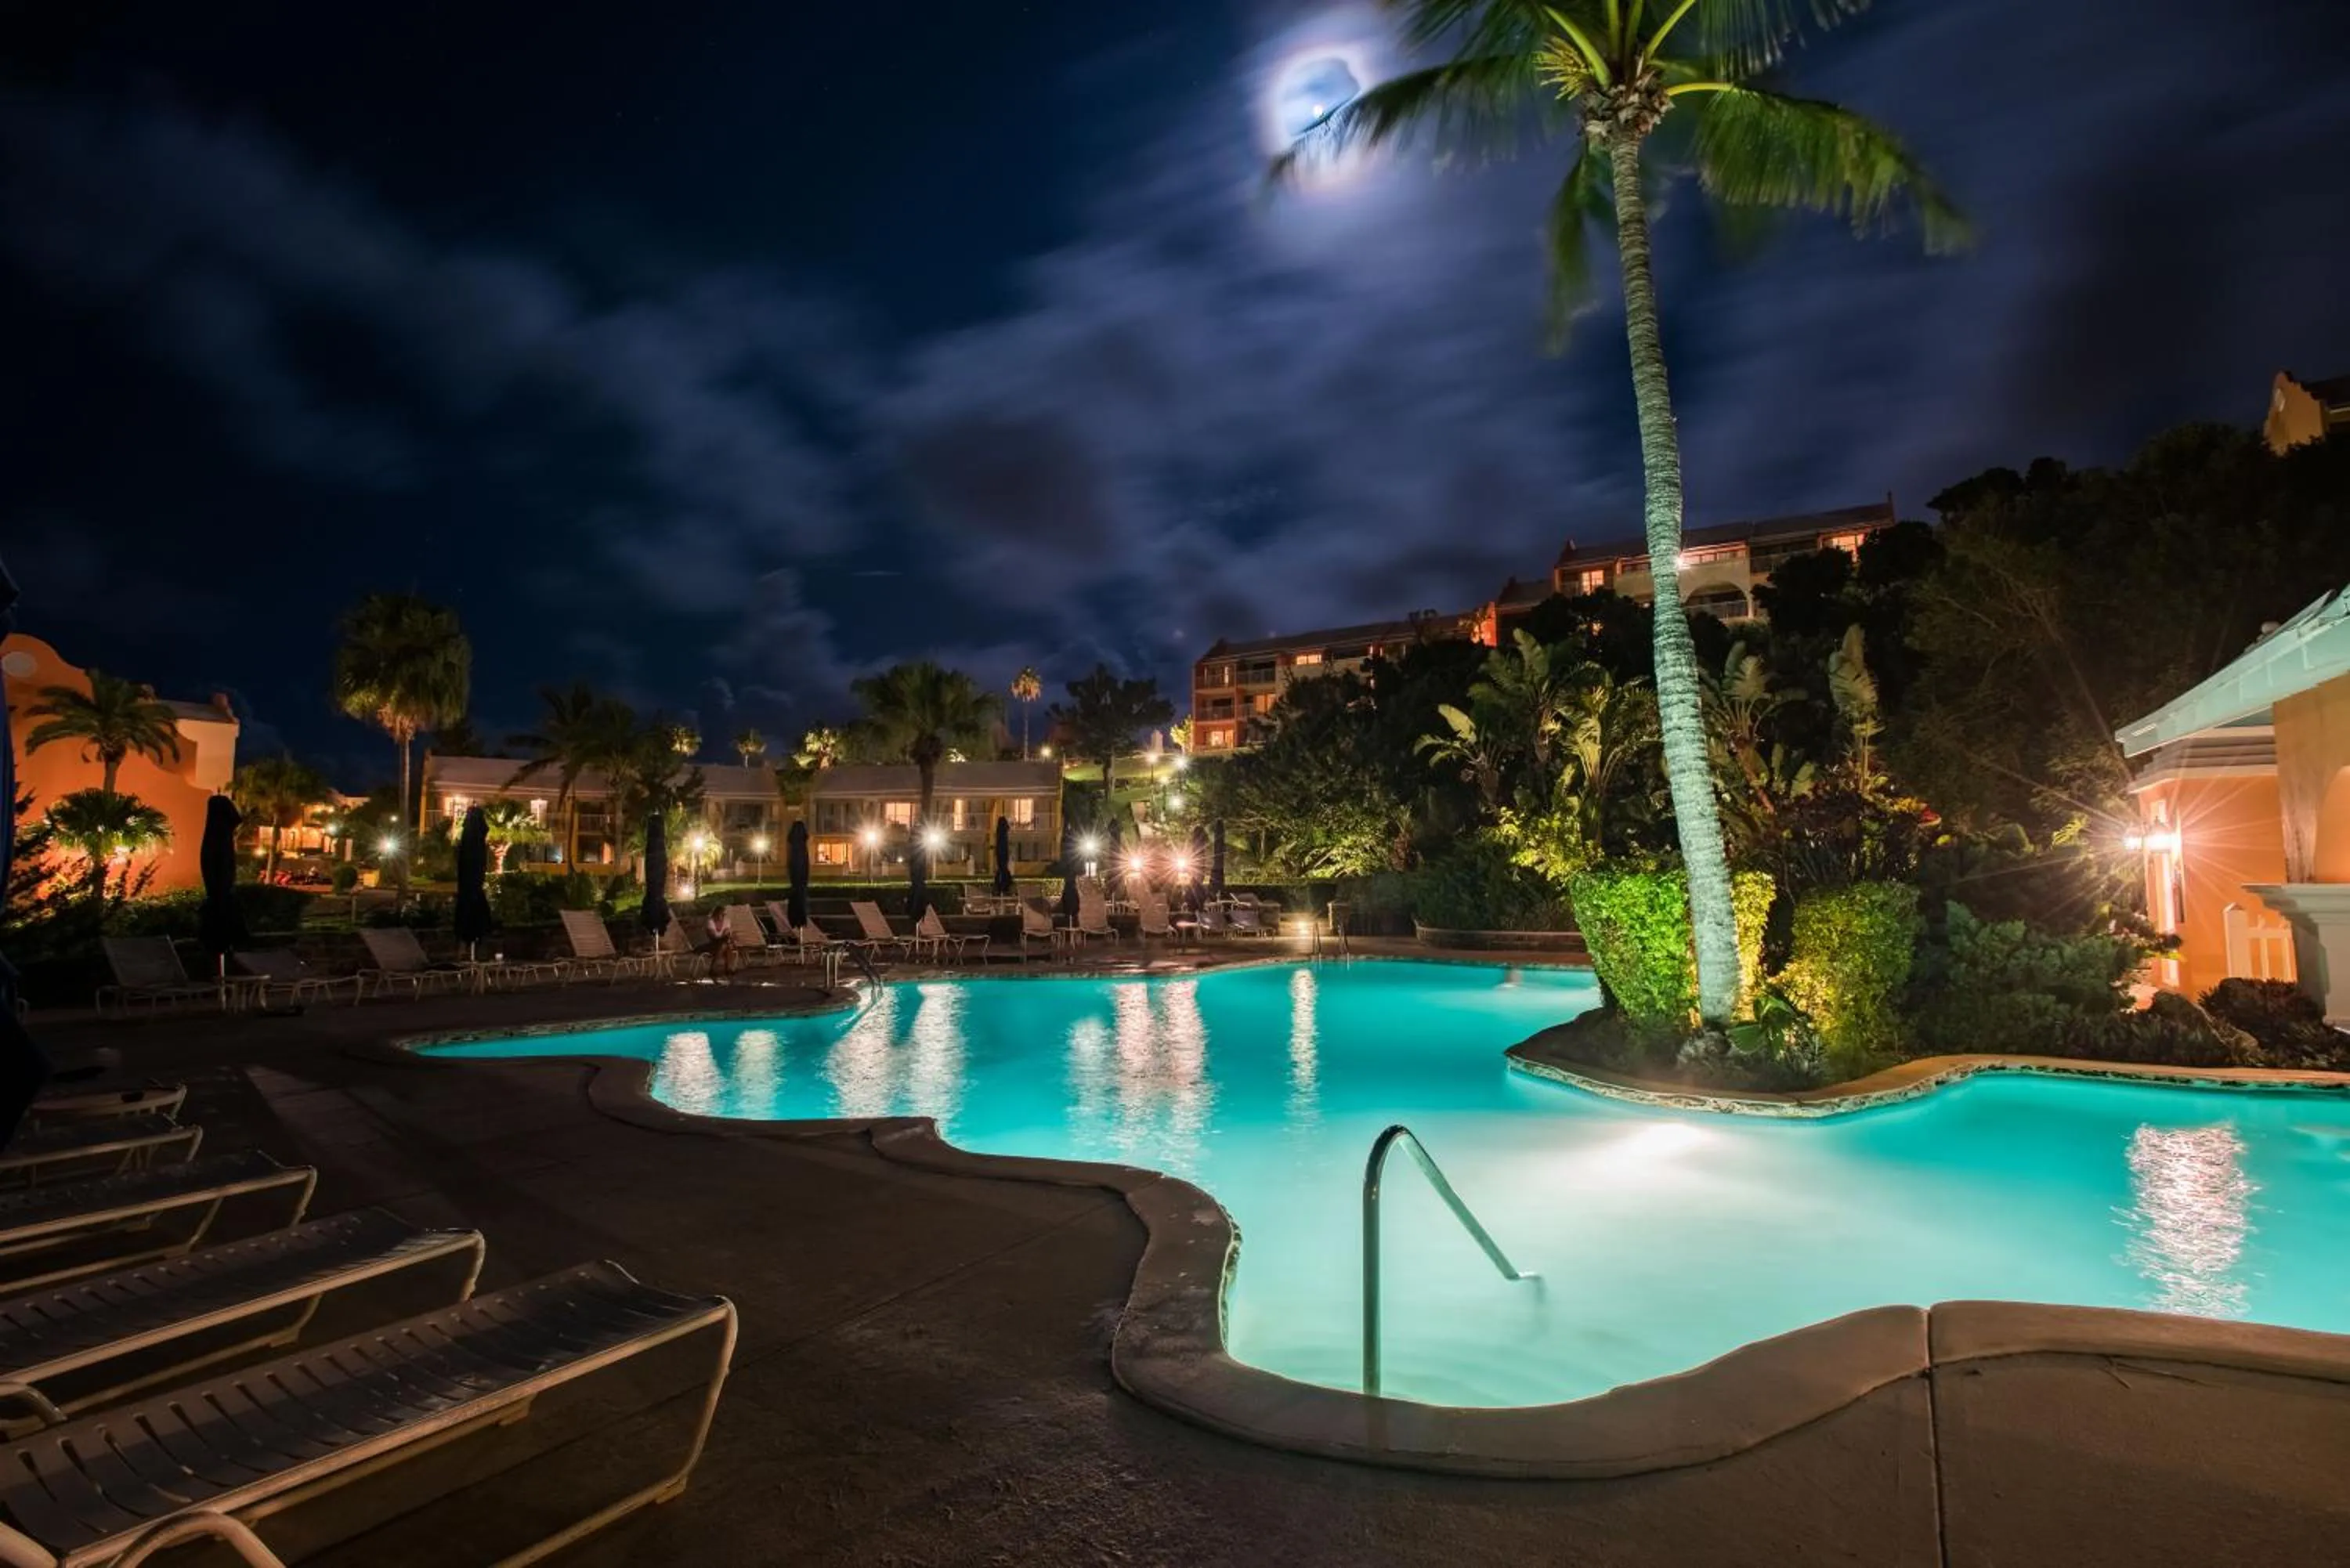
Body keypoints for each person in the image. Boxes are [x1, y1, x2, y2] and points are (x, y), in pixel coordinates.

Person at [699, 905, 735, 978]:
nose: (721, 916)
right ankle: (728, 969)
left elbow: (726, 933)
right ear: (715, 914)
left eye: (723, 914)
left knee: (725, 945)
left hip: (722, 943)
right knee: (725, 945)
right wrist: (723, 936)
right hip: (711, 944)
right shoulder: (710, 922)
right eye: (719, 914)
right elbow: (713, 937)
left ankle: (714, 968)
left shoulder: (727, 921)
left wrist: (725, 935)